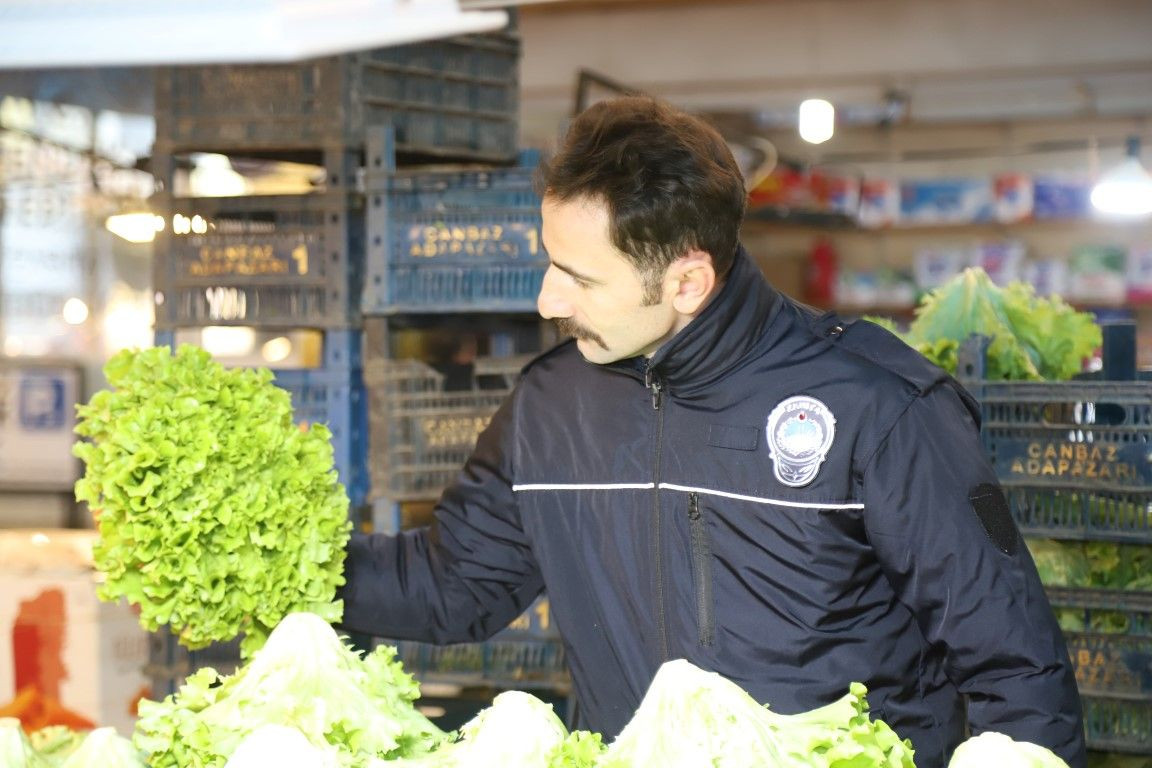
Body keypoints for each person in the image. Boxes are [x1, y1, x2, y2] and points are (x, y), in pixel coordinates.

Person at [339, 96, 1086, 767]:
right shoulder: (549, 405)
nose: (546, 300)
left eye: (581, 277)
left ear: (687, 282)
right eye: (550, 262)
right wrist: (280, 565)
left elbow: (1014, 664)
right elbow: (453, 584)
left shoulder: (882, 406)